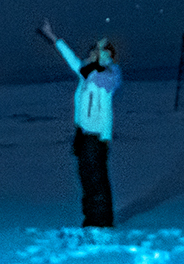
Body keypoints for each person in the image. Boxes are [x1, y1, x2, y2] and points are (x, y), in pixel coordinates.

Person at [37, 18, 121, 228]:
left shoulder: (106, 77)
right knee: (86, 177)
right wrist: (53, 37)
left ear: (108, 56)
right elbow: (71, 59)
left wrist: (106, 138)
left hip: (96, 136)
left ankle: (101, 222)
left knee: (96, 178)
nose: (96, 53)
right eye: (96, 51)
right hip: (83, 135)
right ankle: (91, 219)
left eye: (102, 52)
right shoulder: (88, 73)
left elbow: (107, 102)